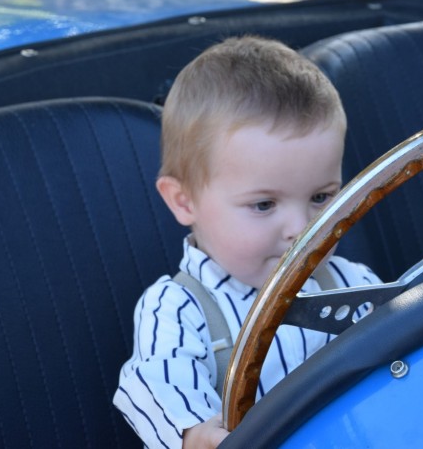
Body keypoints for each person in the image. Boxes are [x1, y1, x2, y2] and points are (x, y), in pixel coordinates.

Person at [114, 35, 380, 449]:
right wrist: (197, 434)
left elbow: (401, 357)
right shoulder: (178, 309)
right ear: (183, 201)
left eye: (321, 197)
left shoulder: (352, 282)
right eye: (263, 204)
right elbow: (158, 385)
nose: (303, 229)